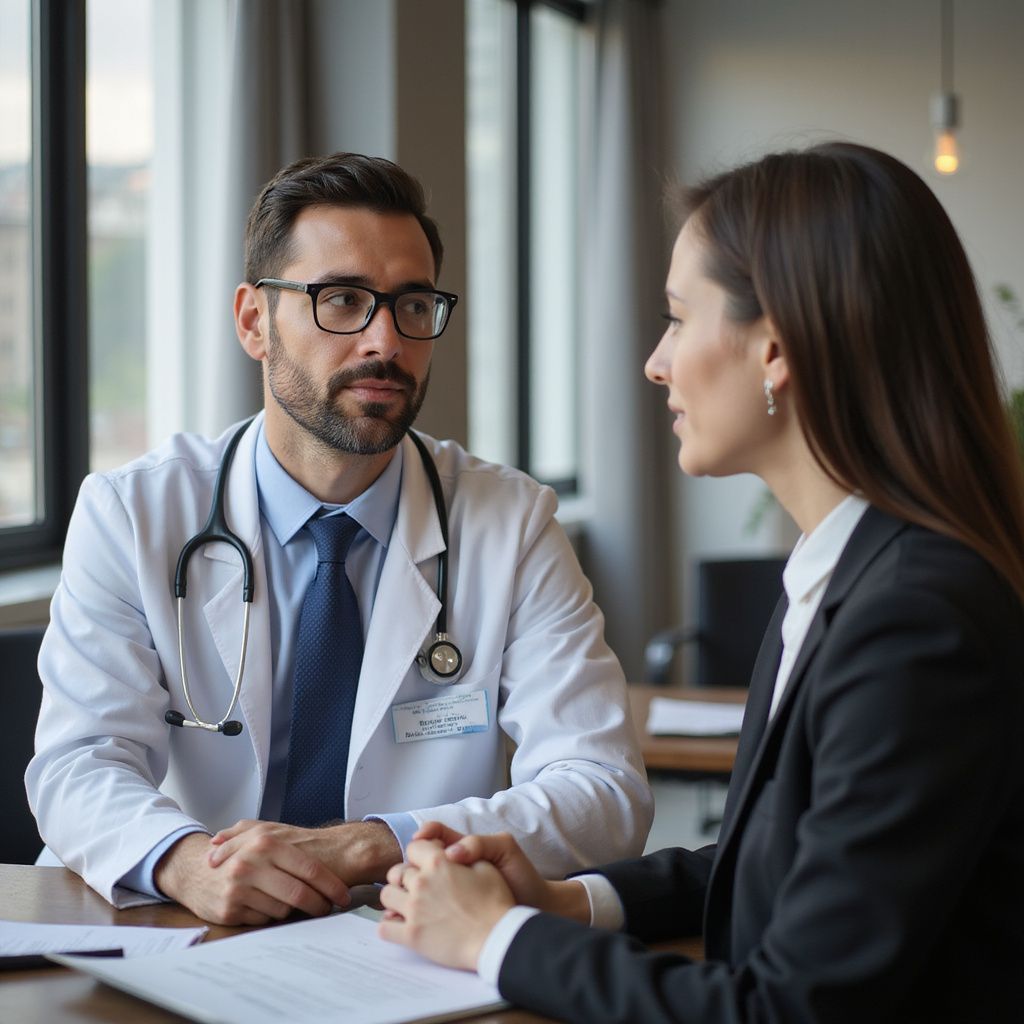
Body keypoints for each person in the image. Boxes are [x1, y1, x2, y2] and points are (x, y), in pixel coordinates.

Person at [378, 142, 1024, 1022]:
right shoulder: (848, 574)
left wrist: (495, 940)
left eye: (679, 319)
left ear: (776, 349)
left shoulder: (915, 619)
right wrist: (570, 901)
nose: (656, 362)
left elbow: (786, 1011)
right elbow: (782, 860)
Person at [26, 152, 652, 925]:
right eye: (343, 300)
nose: (385, 341)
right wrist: (187, 862)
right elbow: (78, 764)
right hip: (180, 924)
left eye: (413, 305)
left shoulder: (509, 521)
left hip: (402, 937)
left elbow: (603, 788)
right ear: (255, 321)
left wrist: (372, 845)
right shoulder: (133, 512)